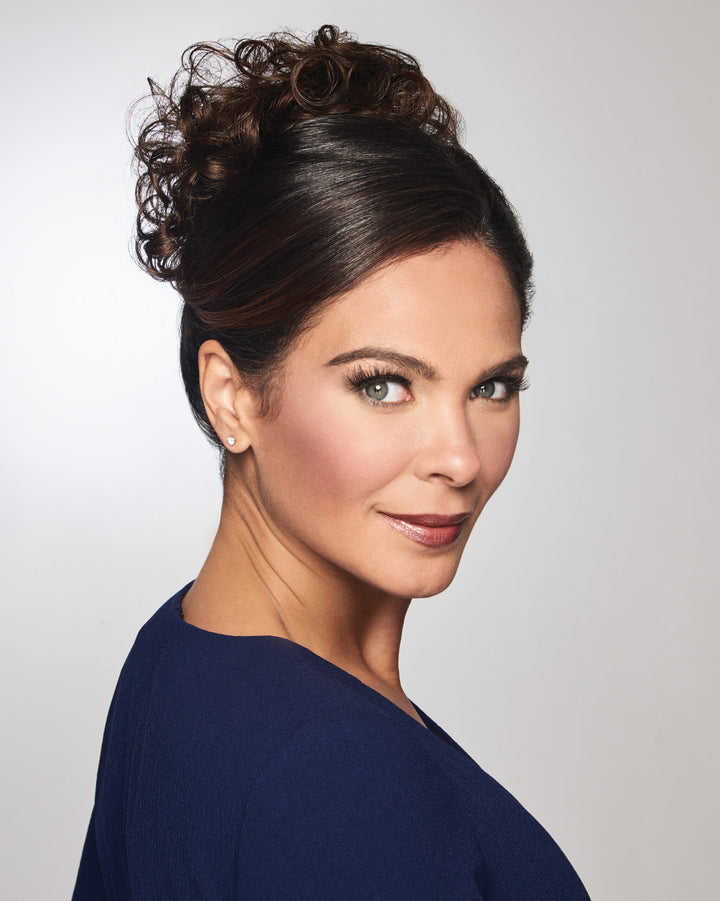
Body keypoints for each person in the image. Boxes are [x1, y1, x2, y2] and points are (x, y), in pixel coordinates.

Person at [73, 25, 590, 899]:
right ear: (233, 396)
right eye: (383, 385)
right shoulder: (336, 772)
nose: (461, 457)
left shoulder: (179, 654)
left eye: (492, 386)